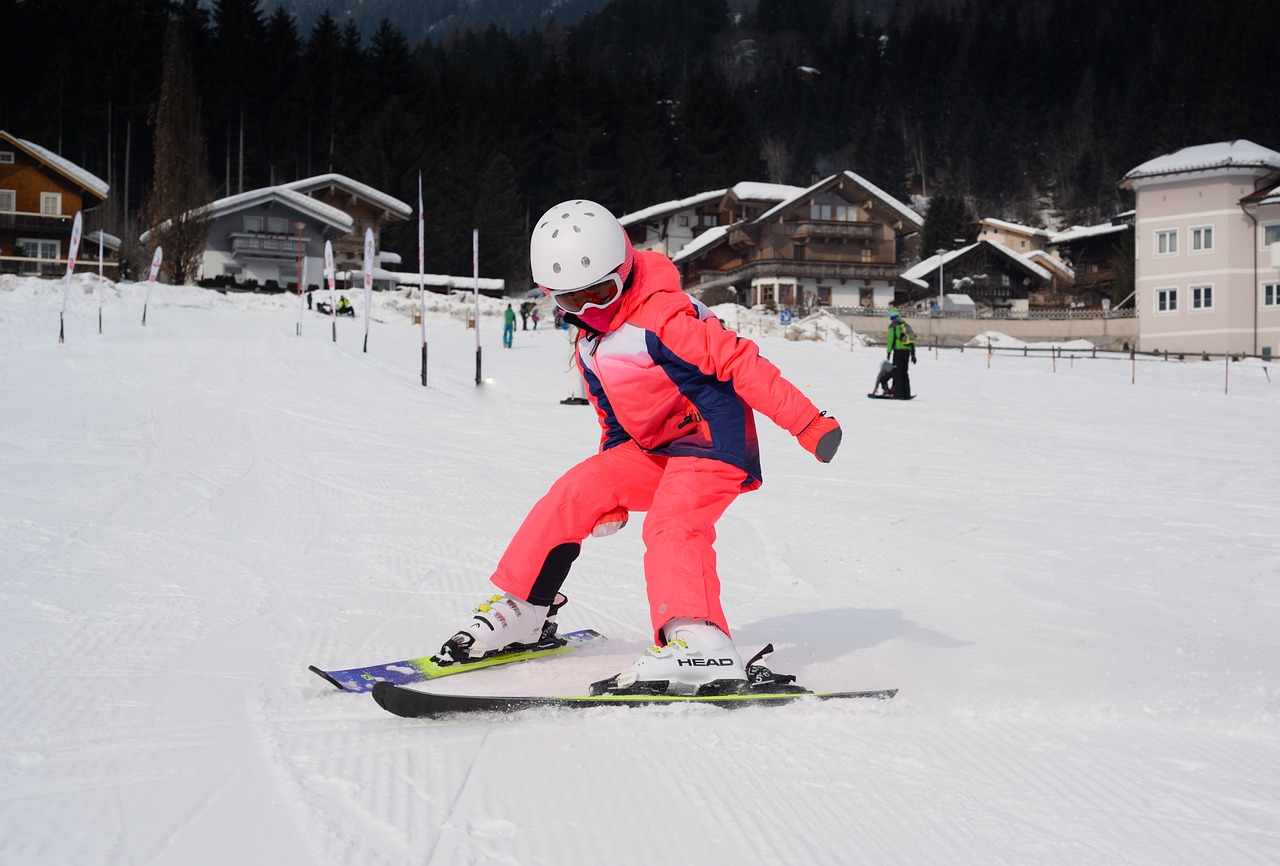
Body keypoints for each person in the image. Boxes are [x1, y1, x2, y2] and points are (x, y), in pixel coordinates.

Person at [435, 199, 842, 695]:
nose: (590, 311)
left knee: (673, 521)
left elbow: (741, 364)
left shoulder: (663, 316)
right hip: (654, 450)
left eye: (601, 293)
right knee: (574, 490)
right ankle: (526, 610)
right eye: (571, 302)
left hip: (712, 440)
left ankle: (699, 641)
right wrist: (610, 488)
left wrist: (808, 424)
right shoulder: (588, 344)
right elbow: (614, 419)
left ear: (624, 271)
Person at [886, 308, 916, 399]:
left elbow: (890, 340)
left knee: (897, 373)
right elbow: (911, 340)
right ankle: (906, 394)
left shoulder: (893, 326)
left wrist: (888, 353)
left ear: (891, 317)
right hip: (907, 352)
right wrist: (913, 354)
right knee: (904, 373)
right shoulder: (906, 325)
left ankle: (898, 394)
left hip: (898, 352)